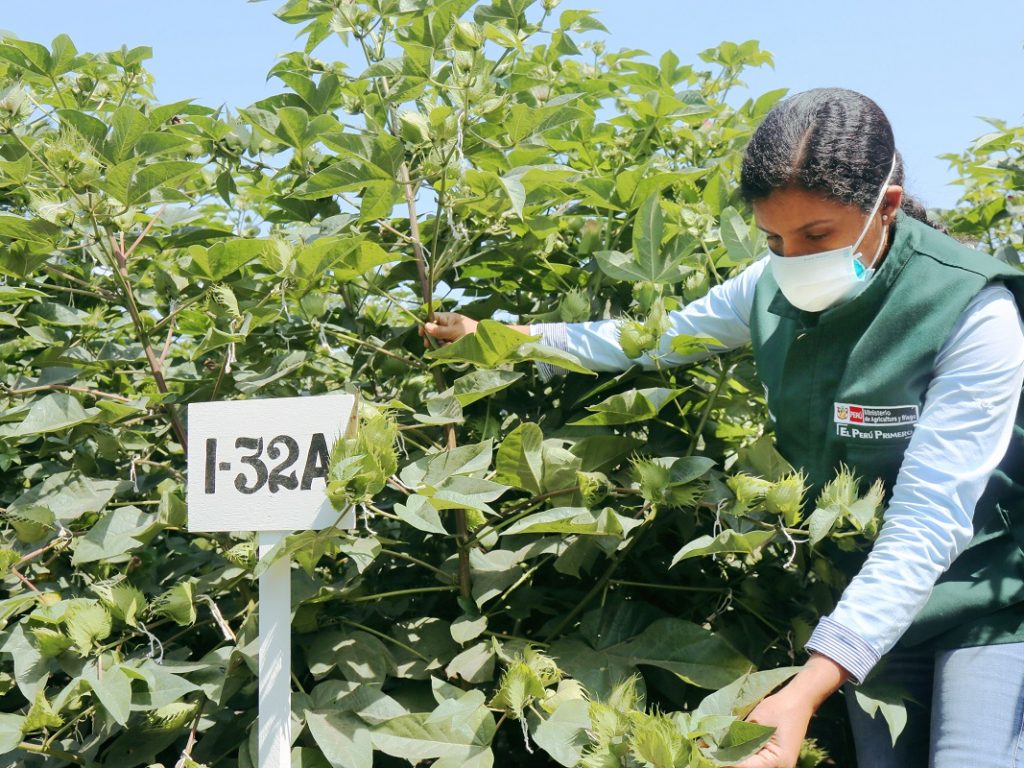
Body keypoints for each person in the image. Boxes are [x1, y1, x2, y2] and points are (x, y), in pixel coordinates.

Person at [422, 88, 1024, 768]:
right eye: (773, 239)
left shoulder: (974, 310)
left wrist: (805, 691)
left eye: (816, 236)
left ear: (885, 206)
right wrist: (506, 339)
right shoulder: (768, 285)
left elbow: (929, 518)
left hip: (988, 595)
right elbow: (652, 340)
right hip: (864, 596)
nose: (792, 259)